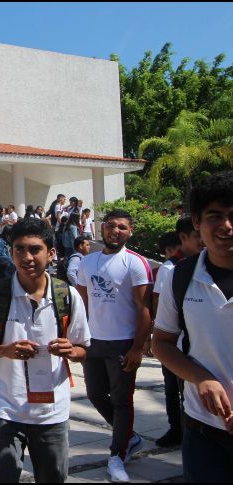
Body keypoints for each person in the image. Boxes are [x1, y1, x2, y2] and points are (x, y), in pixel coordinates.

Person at [0, 218, 90, 483]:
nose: (27, 257)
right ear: (11, 252)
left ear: (51, 253)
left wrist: (72, 351)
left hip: (51, 412)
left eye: (35, 249)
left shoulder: (67, 296)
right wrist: (4, 350)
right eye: (19, 249)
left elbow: (84, 349)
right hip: (5, 409)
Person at [152, 171, 233, 482]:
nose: (226, 226)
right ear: (197, 222)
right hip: (203, 433)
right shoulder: (180, 277)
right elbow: (162, 343)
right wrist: (200, 378)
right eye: (215, 216)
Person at [76, 209, 153, 483]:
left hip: (122, 343)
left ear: (130, 231)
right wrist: (78, 339)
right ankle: (130, 437)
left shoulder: (136, 263)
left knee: (122, 402)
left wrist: (137, 348)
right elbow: (82, 305)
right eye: (110, 226)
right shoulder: (87, 262)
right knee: (96, 395)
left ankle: (117, 454)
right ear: (102, 228)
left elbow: (144, 309)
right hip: (94, 342)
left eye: (122, 227)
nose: (115, 231)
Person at [150, 216, 204, 448]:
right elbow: (159, 306)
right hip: (177, 347)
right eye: (197, 235)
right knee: (174, 390)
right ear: (184, 238)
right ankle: (177, 429)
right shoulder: (172, 271)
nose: (203, 240)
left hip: (201, 350)